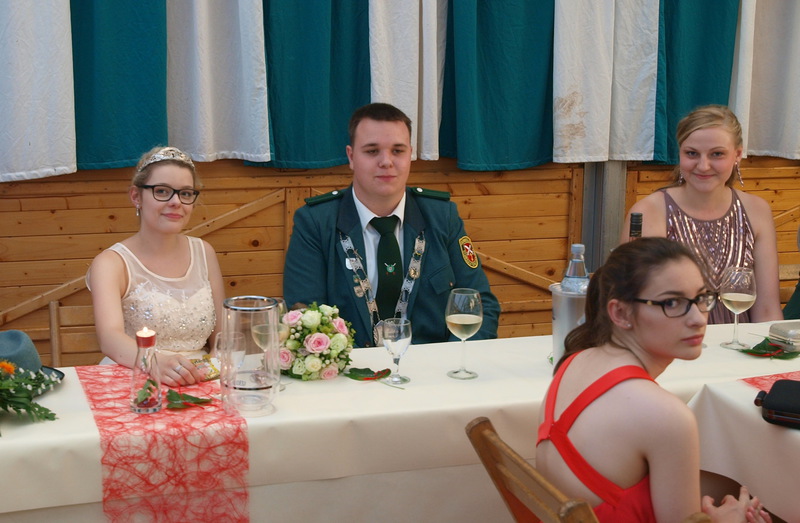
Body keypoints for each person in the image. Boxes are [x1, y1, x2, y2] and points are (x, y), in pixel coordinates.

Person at [536, 238, 771, 522]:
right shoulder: (665, 415)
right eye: (672, 302)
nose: (699, 319)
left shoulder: (576, 359)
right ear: (620, 313)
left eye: (701, 298)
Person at [283, 102, 500, 347]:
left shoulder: (442, 216)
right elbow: (304, 315)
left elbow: (480, 304)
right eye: (372, 151)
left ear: (410, 155)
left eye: (397, 151)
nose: (386, 161)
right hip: (351, 367)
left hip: (434, 365)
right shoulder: (315, 222)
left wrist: (449, 363)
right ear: (351, 157)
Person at [621, 105, 782, 324]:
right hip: (671, 338)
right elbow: (637, 307)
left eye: (717, 154)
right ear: (679, 153)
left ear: (737, 155)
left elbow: (767, 310)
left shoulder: (757, 210)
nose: (703, 166)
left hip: (739, 340)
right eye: (692, 154)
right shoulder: (649, 212)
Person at [87, 146, 225, 386]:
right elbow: (110, 338)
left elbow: (222, 336)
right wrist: (153, 361)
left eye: (185, 193)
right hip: (137, 378)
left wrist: (213, 367)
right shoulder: (111, 263)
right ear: (136, 196)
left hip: (199, 379)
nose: (176, 202)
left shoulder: (204, 252)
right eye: (162, 191)